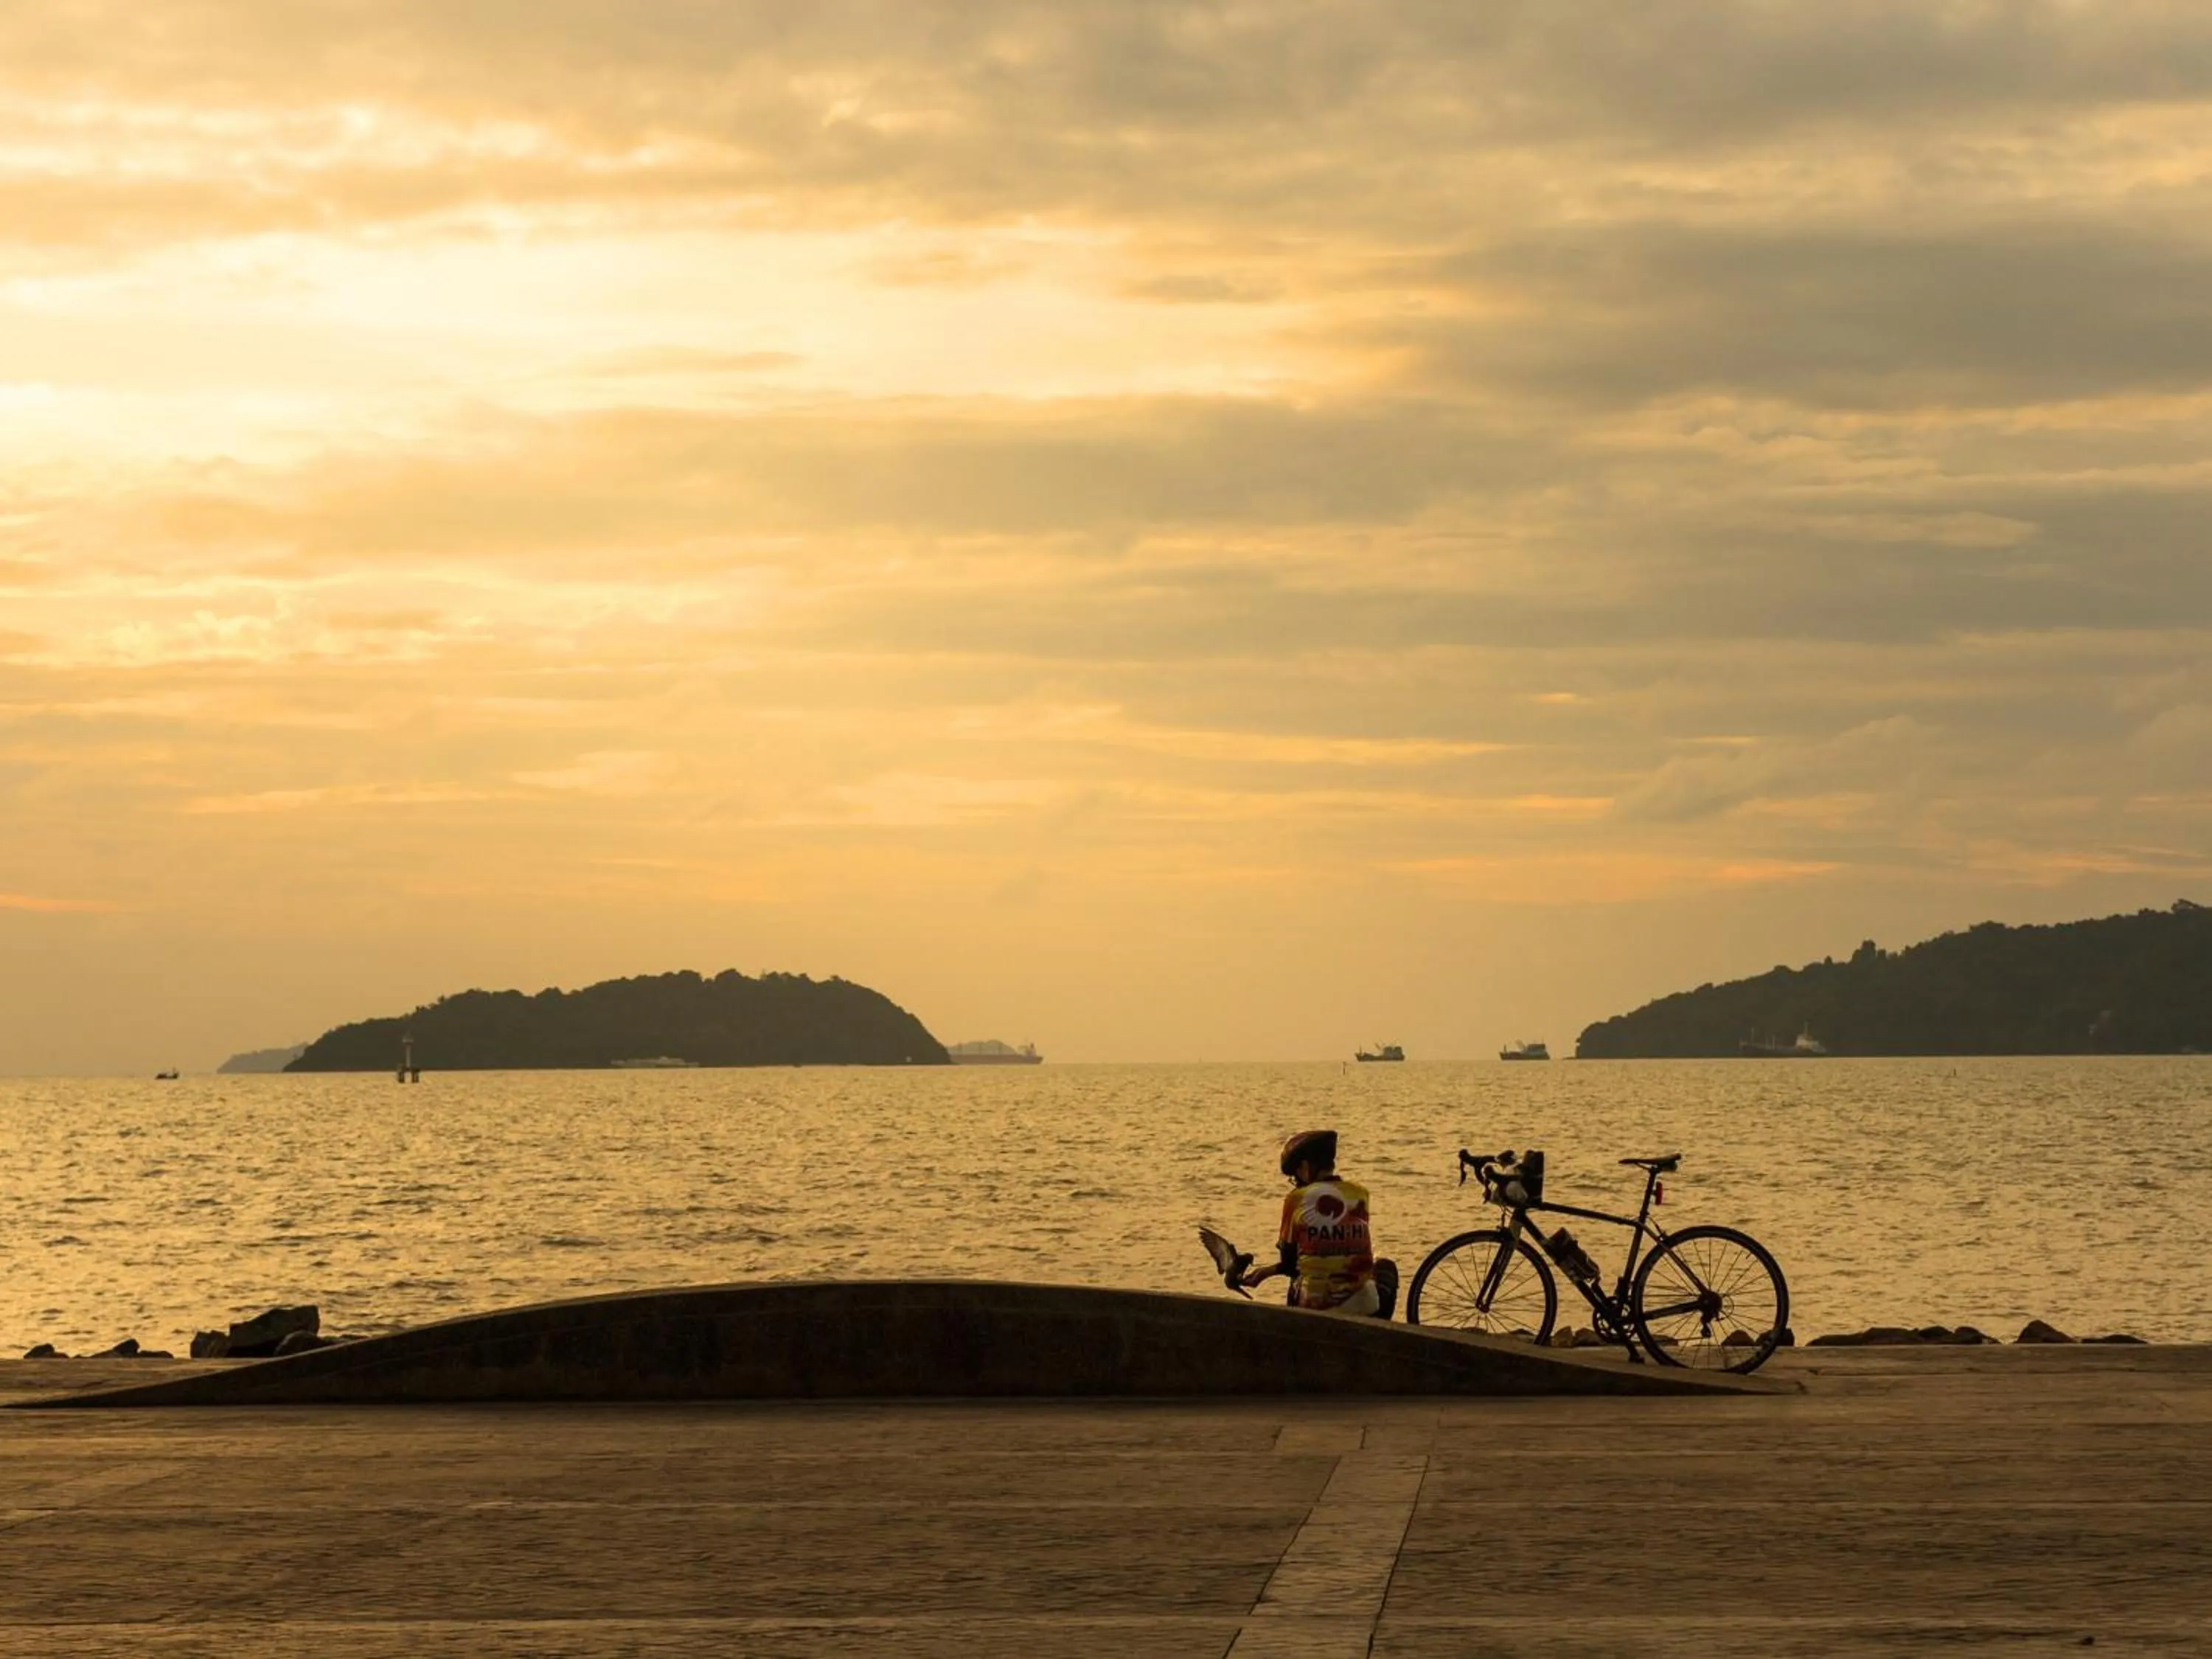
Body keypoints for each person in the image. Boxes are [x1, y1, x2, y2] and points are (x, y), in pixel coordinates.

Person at [1239, 1129, 1396, 1318]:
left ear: (1305, 1167)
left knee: (1299, 1276)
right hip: (1365, 1306)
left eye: (1295, 1175)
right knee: (1386, 1266)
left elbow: (1289, 1263)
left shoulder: (1296, 1199)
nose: (1296, 1181)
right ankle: (1380, 1332)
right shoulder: (1360, 1193)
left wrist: (1265, 1272)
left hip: (1314, 1307)